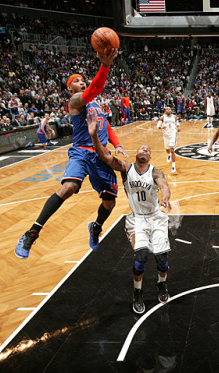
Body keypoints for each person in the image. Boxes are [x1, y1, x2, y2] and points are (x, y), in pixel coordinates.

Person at [15, 48, 128, 259]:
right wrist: (105, 65)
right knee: (69, 187)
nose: (81, 82)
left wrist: (118, 144)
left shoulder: (96, 105)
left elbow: (107, 128)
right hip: (82, 153)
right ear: (70, 89)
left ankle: (95, 227)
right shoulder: (75, 102)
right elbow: (95, 88)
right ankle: (32, 233)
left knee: (109, 203)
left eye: (83, 80)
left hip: (102, 155)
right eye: (76, 81)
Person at [86, 114, 172, 313]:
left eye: (148, 150)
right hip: (137, 220)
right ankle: (138, 293)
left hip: (156, 217)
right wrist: (94, 137)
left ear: (150, 157)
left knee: (162, 260)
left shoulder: (156, 172)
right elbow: (105, 157)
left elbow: (164, 186)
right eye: (142, 147)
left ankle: (162, 284)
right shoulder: (126, 168)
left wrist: (166, 198)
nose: (145, 149)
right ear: (135, 153)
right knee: (141, 257)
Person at [157, 106, 180, 174]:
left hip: (173, 134)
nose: (168, 110)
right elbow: (158, 126)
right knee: (167, 150)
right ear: (165, 111)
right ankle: (169, 154)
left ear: (171, 110)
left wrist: (178, 127)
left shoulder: (174, 117)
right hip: (166, 135)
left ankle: (173, 167)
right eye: (167, 109)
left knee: (172, 149)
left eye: (169, 109)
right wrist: (161, 127)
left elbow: (177, 124)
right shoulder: (162, 117)